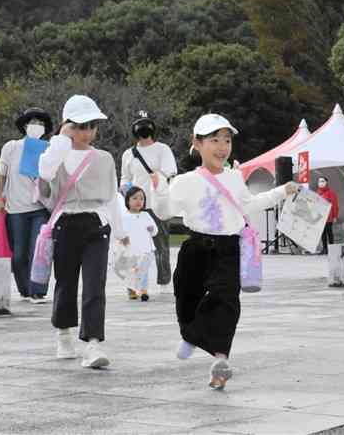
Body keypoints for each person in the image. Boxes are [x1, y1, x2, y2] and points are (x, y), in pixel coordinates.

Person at [152, 113, 299, 390]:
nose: (222, 146)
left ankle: (220, 361)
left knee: (226, 302)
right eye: (214, 140)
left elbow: (250, 205)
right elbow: (164, 212)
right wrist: (159, 189)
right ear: (197, 143)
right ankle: (192, 334)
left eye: (227, 140)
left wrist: (281, 191)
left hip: (228, 248)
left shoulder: (234, 178)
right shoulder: (185, 182)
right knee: (187, 300)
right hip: (195, 247)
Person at [38, 95, 125, 369]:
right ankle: (63, 334)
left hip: (96, 225)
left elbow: (112, 197)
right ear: (67, 126)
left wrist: (122, 234)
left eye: (91, 126)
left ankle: (93, 344)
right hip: (65, 224)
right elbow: (44, 171)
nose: (86, 132)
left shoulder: (105, 158)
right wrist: (61, 140)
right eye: (79, 126)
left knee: (94, 285)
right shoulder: (55, 153)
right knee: (65, 283)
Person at [0, 107, 53, 304]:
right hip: (16, 209)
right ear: (25, 125)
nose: (37, 126)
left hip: (40, 207)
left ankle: (38, 290)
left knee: (39, 250)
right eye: (33, 122)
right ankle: (25, 289)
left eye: (41, 123)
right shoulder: (11, 147)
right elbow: (2, 173)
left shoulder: (48, 148)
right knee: (18, 255)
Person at [120, 113, 178, 294]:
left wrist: (157, 177)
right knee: (134, 247)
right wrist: (124, 188)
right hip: (135, 206)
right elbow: (125, 177)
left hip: (156, 203)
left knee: (161, 245)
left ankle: (164, 282)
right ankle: (134, 282)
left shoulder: (162, 149)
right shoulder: (128, 154)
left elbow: (170, 171)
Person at [121, 186, 158, 302]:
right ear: (127, 200)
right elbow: (120, 231)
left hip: (146, 249)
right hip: (131, 249)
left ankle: (143, 290)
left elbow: (155, 231)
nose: (138, 201)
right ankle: (131, 289)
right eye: (135, 198)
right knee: (131, 270)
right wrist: (123, 239)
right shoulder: (124, 216)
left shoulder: (146, 216)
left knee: (144, 270)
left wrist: (152, 229)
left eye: (141, 199)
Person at [315, 176, 339, 254]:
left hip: (329, 217)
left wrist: (335, 216)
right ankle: (325, 249)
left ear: (326, 182)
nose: (321, 183)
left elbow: (335, 205)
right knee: (323, 233)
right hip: (321, 217)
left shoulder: (331, 193)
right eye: (319, 181)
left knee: (329, 233)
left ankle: (332, 249)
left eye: (322, 181)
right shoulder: (317, 193)